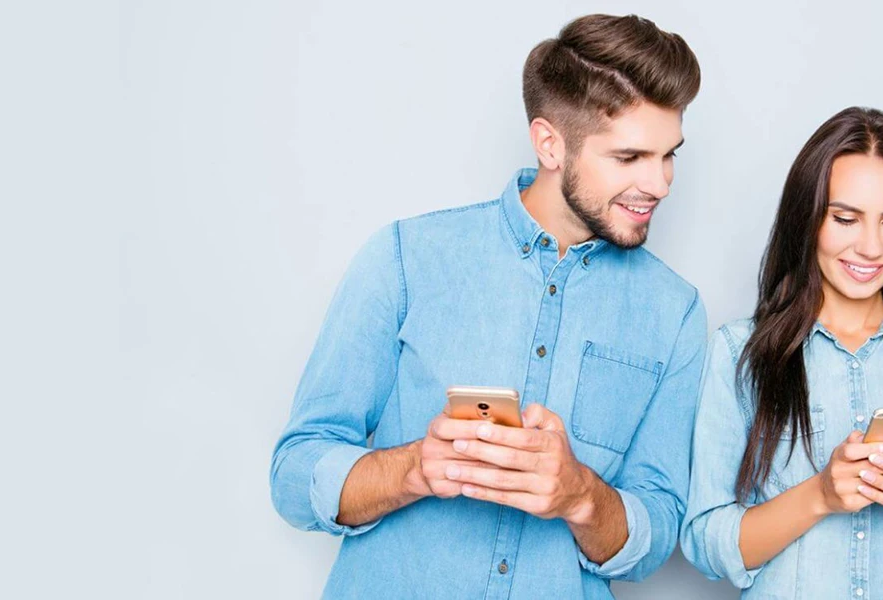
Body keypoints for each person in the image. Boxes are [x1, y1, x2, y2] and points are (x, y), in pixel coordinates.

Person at [270, 14, 706, 598]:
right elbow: (294, 475)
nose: (660, 184)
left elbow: (655, 534)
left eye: (668, 155)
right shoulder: (406, 258)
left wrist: (581, 494)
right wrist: (415, 469)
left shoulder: (674, 313)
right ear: (550, 143)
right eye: (629, 158)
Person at [681, 107, 883, 598]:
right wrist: (821, 495)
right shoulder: (741, 353)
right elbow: (706, 541)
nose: (872, 247)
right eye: (845, 219)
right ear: (807, 219)